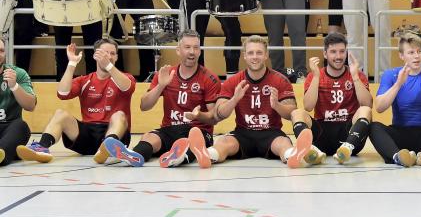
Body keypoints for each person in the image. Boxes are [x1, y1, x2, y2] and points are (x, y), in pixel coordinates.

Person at [103, 31, 221, 167]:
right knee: (149, 137)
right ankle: (134, 155)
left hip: (198, 130)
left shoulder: (209, 78)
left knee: (193, 141)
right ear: (178, 50)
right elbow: (144, 106)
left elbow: (214, 118)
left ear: (200, 51)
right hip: (170, 128)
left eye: (196, 48)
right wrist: (161, 85)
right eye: (187, 47)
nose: (192, 52)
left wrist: (198, 115)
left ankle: (179, 157)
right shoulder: (165, 74)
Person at [17, 39, 134, 164]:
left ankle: (107, 146)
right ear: (95, 55)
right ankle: (42, 147)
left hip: (116, 135)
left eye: (112, 54)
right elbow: (62, 93)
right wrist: (72, 63)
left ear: (116, 57)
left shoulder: (126, 78)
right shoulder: (84, 80)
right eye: (105, 53)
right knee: (60, 114)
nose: (108, 57)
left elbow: (126, 87)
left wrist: (108, 66)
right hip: (87, 135)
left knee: (119, 115)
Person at [203, 36, 297, 165]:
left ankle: (292, 156)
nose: (255, 57)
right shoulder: (233, 81)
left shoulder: (280, 80)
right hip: (243, 133)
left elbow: (292, 113)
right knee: (223, 142)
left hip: (271, 133)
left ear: (266, 55)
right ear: (245, 56)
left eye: (259, 53)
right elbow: (218, 114)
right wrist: (234, 100)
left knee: (283, 143)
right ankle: (207, 156)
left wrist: (277, 105)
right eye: (251, 53)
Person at [286, 33, 374, 166]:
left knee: (365, 110)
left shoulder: (356, 73)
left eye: (342, 51)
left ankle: (347, 148)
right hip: (322, 133)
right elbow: (308, 106)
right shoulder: (314, 75)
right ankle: (310, 150)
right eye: (333, 52)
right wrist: (316, 77)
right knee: (296, 113)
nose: (338, 56)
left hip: (348, 133)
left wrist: (355, 77)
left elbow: (367, 104)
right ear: (325, 54)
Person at [368, 32, 421, 167]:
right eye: (411, 52)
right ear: (401, 56)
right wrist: (398, 84)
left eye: (419, 51)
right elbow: (379, 107)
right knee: (373, 127)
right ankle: (398, 157)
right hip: (400, 134)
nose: (416, 56)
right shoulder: (391, 75)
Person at [0, 36, 35, 165]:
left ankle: (3, 152)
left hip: (9, 127)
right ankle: (7, 152)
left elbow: (30, 106)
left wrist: (14, 86)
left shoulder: (18, 73)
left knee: (22, 126)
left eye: (1, 51)